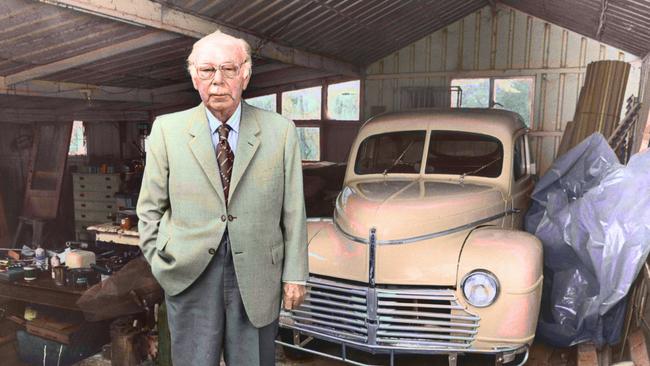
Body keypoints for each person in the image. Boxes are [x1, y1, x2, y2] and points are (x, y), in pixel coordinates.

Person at [136, 30, 308, 366]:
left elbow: (294, 210)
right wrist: (162, 262)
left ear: (246, 73)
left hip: (258, 272)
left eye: (228, 70)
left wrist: (295, 275)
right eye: (207, 71)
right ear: (193, 76)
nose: (218, 81)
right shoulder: (167, 131)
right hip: (189, 271)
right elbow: (149, 210)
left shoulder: (280, 131)